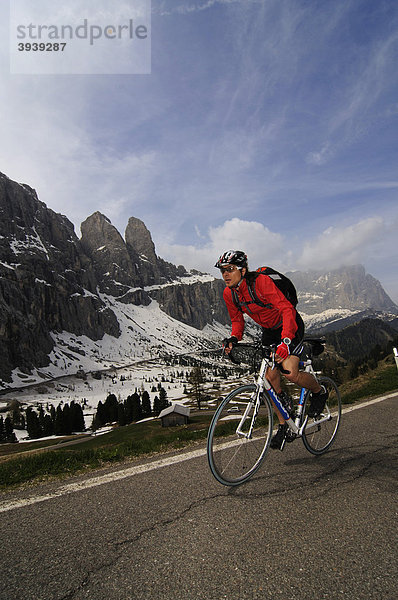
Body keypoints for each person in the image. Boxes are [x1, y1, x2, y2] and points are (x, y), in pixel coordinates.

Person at [215, 250, 328, 450]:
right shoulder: (229, 293)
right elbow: (237, 320)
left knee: (290, 372)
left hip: (289, 325)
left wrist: (285, 341)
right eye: (223, 270)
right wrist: (234, 338)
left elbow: (287, 310)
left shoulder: (261, 283)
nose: (225, 274)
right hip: (269, 331)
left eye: (230, 270)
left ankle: (319, 391)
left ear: (242, 270)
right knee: (269, 377)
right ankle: (284, 423)